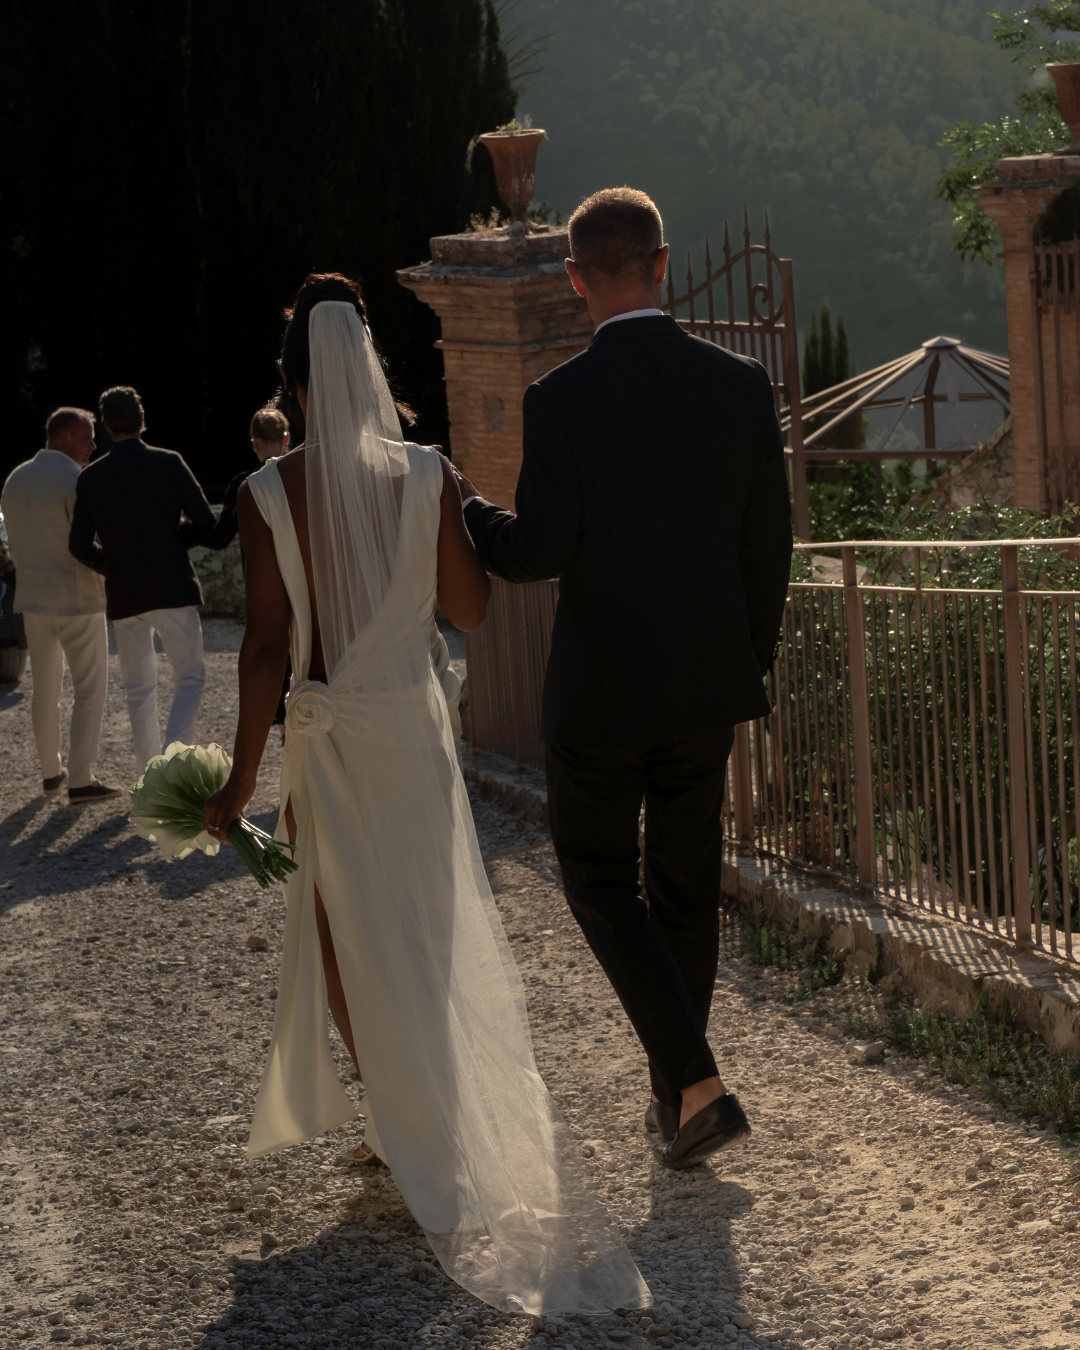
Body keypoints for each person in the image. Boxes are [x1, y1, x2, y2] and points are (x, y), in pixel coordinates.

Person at [202, 273, 649, 1317]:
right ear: (371, 364)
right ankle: (435, 1114)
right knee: (433, 916)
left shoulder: (267, 495)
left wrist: (236, 779)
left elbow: (264, 647)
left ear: (293, 383)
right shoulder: (422, 472)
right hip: (406, 724)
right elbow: (470, 610)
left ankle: (404, 1122)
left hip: (322, 736)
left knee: (337, 925)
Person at [458, 188, 794, 1172]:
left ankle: (697, 1085)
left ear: (573, 281)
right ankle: (682, 1099)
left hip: (602, 691)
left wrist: (470, 513)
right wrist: (748, 659)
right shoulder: (740, 386)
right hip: (706, 686)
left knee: (601, 881)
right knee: (685, 894)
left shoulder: (556, 398)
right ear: (662, 266)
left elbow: (538, 552)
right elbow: (766, 547)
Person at [69, 386, 216, 774]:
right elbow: (205, 522)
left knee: (138, 690)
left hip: (125, 593)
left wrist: (115, 565)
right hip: (172, 586)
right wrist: (172, 543)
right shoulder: (169, 463)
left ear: (105, 426)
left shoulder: (92, 477)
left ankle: (149, 773)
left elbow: (79, 546)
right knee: (189, 676)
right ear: (142, 418)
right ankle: (173, 758)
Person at [0, 408, 119, 802]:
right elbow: (94, 539)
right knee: (89, 691)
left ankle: (51, 773)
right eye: (87, 438)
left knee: (44, 691)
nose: (93, 445)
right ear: (64, 436)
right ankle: (80, 779)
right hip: (78, 598)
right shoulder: (77, 479)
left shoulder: (14, 479)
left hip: (33, 599)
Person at [205, 406, 293, 732]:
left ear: (253, 440)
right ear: (286, 438)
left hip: (261, 582)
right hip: (300, 577)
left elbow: (219, 536)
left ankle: (278, 720)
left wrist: (183, 532)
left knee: (269, 648)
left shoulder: (244, 484)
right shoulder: (301, 476)